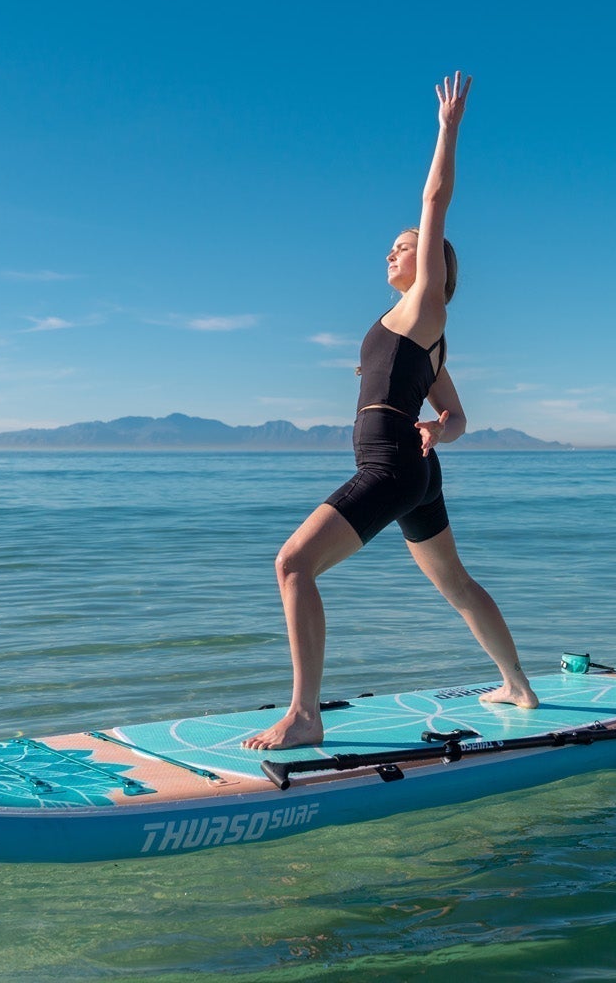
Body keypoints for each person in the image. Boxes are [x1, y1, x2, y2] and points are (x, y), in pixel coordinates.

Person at [244, 72, 538, 751]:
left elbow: (435, 197)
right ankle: (518, 685)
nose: (392, 251)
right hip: (414, 470)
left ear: (432, 263)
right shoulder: (413, 333)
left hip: (392, 466)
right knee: (457, 584)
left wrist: (448, 127)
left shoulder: (424, 306)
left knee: (293, 565)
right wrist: (442, 427)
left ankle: (304, 714)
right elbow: (460, 415)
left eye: (403, 246)